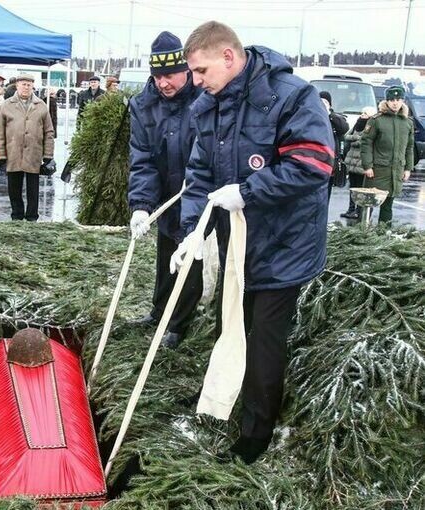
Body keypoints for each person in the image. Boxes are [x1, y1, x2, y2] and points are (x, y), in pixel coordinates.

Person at [175, 21, 333, 464]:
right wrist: (194, 231)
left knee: (264, 334)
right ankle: (231, 400)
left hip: (286, 240)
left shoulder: (291, 95)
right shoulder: (208, 106)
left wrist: (247, 191)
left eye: (202, 70)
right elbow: (199, 174)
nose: (198, 82)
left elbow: (313, 164)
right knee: (236, 325)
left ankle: (256, 432)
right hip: (239, 242)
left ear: (229, 56)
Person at [128, 31, 203, 349]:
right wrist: (142, 204)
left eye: (170, 75)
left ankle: (179, 323)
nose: (163, 83)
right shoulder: (144, 106)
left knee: (189, 257)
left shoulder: (205, 100)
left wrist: (197, 190)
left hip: (197, 190)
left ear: (186, 69)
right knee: (165, 254)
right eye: (157, 76)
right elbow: (142, 158)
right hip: (165, 193)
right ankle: (159, 311)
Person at [0, 74, 55, 221]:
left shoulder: (41, 106)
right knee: (14, 187)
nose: (26, 87)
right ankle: (17, 214)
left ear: (32, 86)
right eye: (23, 84)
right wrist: (0, 153)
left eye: (29, 85)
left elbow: (49, 131)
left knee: (33, 188)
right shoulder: (7, 105)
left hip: (34, 153)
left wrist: (48, 155)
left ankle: (32, 216)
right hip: (13, 152)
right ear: (17, 85)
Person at [360, 85, 414, 224]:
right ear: (386, 101)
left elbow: (409, 147)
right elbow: (366, 143)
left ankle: (383, 235)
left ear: (403, 101)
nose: (395, 102)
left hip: (396, 171)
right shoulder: (377, 120)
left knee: (388, 206)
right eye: (391, 99)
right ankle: (362, 233)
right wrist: (367, 166)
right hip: (378, 170)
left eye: (398, 99)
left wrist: (408, 168)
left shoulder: (407, 123)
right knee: (368, 204)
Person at [341, 106, 377, 219]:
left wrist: (354, 139)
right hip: (352, 162)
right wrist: (355, 138)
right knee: (352, 187)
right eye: (362, 112)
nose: (362, 115)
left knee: (361, 188)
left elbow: (363, 141)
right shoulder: (357, 124)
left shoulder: (371, 126)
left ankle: (359, 210)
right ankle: (351, 209)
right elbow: (346, 136)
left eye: (365, 113)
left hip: (362, 163)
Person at [318, 91, 349, 201]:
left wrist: (329, 114)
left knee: (326, 196)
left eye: (325, 102)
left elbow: (344, 128)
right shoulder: (311, 115)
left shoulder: (334, 118)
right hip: (315, 161)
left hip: (330, 162)